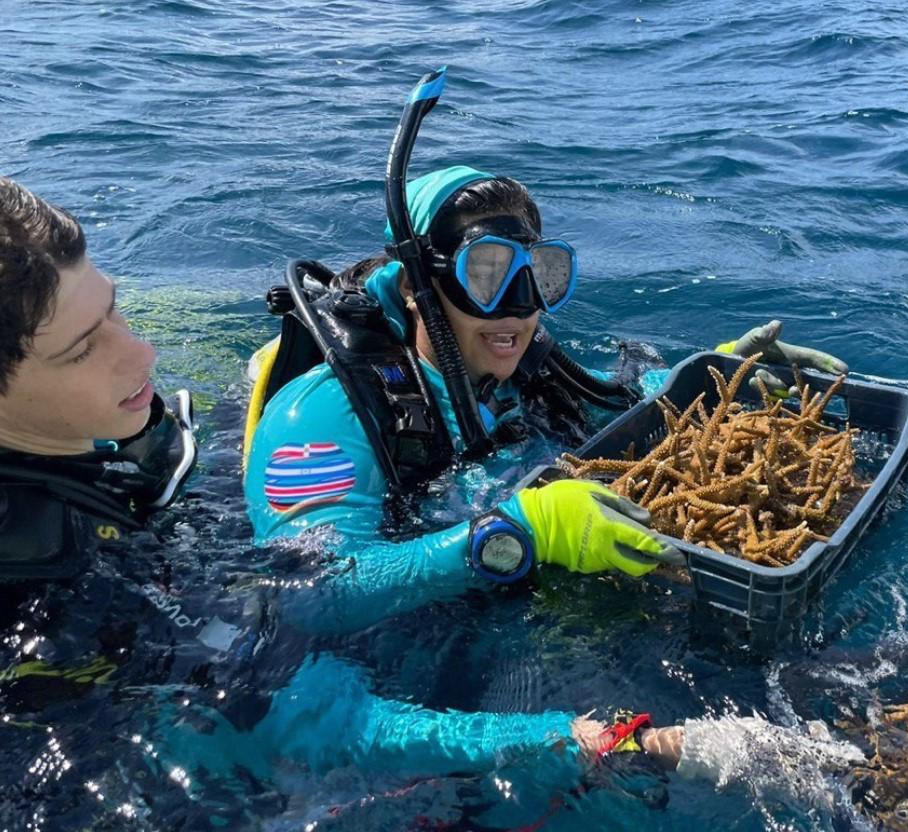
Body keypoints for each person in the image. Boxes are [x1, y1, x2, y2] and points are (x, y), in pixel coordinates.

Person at [0, 176, 738, 828]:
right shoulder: (38, 583)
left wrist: (708, 384)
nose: (142, 356)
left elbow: (600, 408)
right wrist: (514, 544)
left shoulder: (96, 438)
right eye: (79, 348)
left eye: (117, 314)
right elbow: (284, 670)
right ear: (421, 283)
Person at [241, 68, 849, 622]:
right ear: (414, 287)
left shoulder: (520, 368)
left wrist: (720, 373)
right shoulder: (319, 414)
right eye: (487, 273)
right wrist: (518, 533)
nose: (522, 306)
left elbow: (623, 404)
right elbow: (311, 596)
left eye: (538, 274)